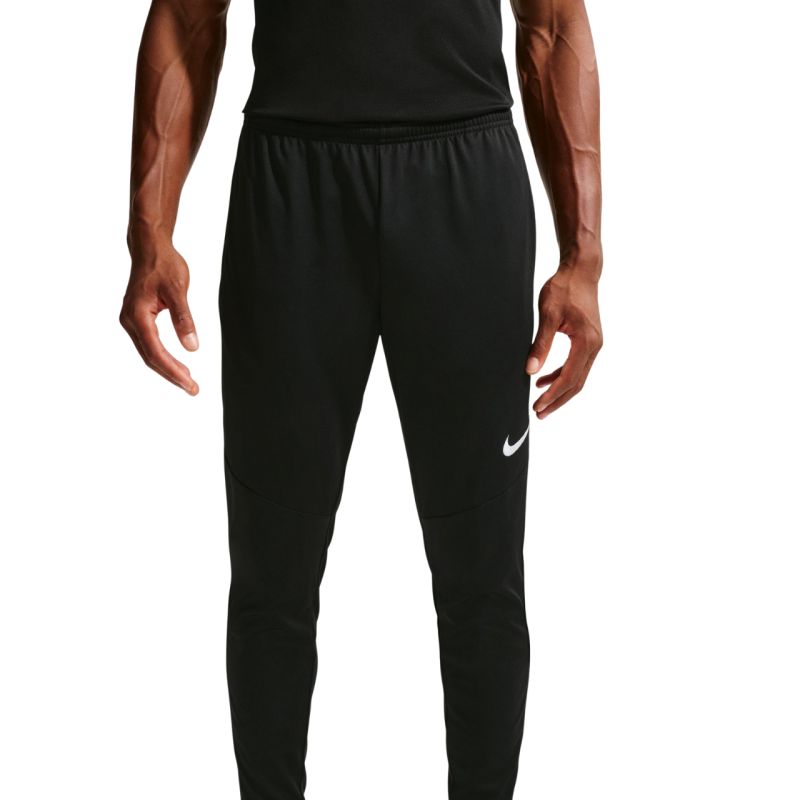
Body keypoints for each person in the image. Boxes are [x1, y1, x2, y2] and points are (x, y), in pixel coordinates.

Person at [119, 0, 603, 797]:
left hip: (465, 190)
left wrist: (583, 256)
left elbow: (550, 25)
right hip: (292, 189)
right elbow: (185, 16)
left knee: (483, 580)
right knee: (272, 582)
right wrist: (150, 231)